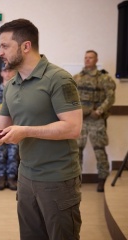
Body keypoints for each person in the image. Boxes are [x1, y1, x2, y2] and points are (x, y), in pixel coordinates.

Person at [0, 19, 83, 240]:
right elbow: (2, 128)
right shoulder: (11, 85)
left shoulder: (58, 79)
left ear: (25, 46)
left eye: (5, 46)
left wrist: (26, 131)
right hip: (26, 177)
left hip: (57, 179)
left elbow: (72, 128)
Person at [73, 50, 116, 192]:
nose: (87, 60)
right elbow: (70, 97)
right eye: (85, 57)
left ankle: (102, 179)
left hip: (96, 119)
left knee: (99, 150)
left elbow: (110, 98)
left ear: (96, 60)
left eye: (90, 58)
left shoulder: (104, 78)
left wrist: (99, 111)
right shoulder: (76, 78)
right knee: (76, 150)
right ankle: (76, 180)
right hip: (81, 120)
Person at [0, 64, 19, 191]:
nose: (7, 73)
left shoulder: (18, 89)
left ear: (14, 72)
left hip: (14, 126)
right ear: (1, 73)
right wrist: (0, 109)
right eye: (5, 71)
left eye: (10, 70)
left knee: (13, 154)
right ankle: (1, 179)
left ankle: (11, 179)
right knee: (0, 154)